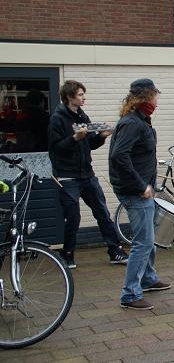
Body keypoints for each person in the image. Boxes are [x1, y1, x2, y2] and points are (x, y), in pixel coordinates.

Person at [48, 80, 128, 269]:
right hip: (67, 176)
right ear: (69, 97)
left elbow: (90, 143)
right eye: (80, 95)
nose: (84, 98)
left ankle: (115, 251)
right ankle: (67, 254)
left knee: (102, 212)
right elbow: (55, 149)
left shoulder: (82, 115)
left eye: (83, 94)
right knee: (73, 217)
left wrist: (100, 137)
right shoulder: (57, 119)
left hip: (87, 174)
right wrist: (75, 138)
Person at [110, 79, 170, 311]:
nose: (157, 100)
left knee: (148, 237)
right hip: (136, 192)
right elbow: (119, 155)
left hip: (141, 190)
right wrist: (140, 185)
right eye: (155, 95)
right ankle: (130, 294)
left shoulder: (139, 119)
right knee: (143, 243)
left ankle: (148, 279)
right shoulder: (132, 123)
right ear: (146, 97)